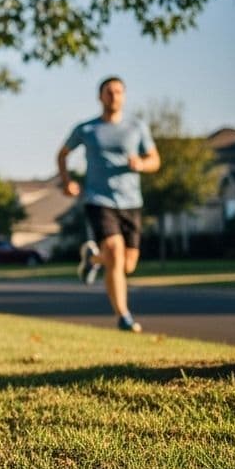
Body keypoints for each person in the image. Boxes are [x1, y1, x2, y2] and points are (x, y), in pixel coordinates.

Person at [56, 76, 161, 333]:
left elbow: (155, 160)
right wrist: (67, 182)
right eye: (108, 92)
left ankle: (93, 258)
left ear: (124, 96)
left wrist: (142, 164)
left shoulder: (137, 127)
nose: (114, 96)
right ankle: (123, 316)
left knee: (127, 265)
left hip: (131, 202)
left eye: (118, 92)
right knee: (115, 252)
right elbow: (63, 154)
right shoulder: (87, 129)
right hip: (99, 200)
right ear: (100, 96)